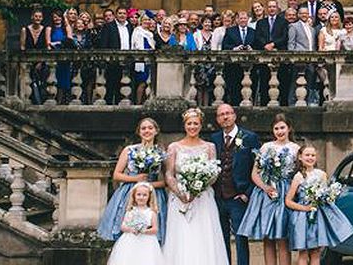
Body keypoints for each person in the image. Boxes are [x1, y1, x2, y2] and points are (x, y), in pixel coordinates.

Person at [163, 109, 227, 265]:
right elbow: (169, 174)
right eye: (189, 123)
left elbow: (213, 173)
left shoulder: (210, 147)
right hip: (179, 198)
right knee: (181, 235)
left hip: (202, 198)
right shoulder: (174, 147)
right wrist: (180, 193)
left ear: (201, 125)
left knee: (203, 234)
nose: (192, 127)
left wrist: (197, 188)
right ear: (184, 125)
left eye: (196, 123)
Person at [238, 115, 300, 265]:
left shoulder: (296, 148)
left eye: (282, 127)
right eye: (276, 128)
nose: (279, 131)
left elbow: (299, 173)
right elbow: (255, 173)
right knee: (268, 238)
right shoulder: (266, 147)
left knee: (283, 237)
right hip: (267, 194)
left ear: (289, 128)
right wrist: (265, 187)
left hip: (286, 192)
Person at [99, 118, 169, 244]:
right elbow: (116, 175)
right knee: (128, 229)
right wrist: (135, 179)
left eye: (150, 128)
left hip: (153, 194)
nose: (147, 131)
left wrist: (150, 185)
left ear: (156, 131)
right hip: (130, 191)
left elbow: (166, 181)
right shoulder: (129, 150)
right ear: (139, 132)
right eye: (143, 128)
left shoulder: (160, 153)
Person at [286, 145, 353, 265]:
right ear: (300, 157)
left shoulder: (321, 174)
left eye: (313, 155)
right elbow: (288, 201)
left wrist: (327, 197)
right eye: (307, 155)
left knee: (316, 251)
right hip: (303, 218)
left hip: (318, 216)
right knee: (303, 252)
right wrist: (305, 208)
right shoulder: (298, 177)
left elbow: (324, 194)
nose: (310, 158)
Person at [213, 104, 260, 265]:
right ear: (218, 119)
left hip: (239, 197)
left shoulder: (249, 137)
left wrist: (247, 193)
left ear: (234, 115)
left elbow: (258, 168)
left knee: (241, 238)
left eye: (228, 113)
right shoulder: (214, 139)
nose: (225, 117)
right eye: (221, 115)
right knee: (221, 237)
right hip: (218, 197)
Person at [107, 182, 166, 265]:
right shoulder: (130, 211)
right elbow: (123, 226)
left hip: (147, 241)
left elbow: (155, 229)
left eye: (144, 195)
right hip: (130, 239)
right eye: (138, 194)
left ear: (149, 197)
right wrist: (131, 229)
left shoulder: (152, 212)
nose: (141, 197)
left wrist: (144, 231)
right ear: (134, 196)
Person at [287, 7, 318, 105]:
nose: (304, 15)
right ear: (299, 15)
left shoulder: (312, 29)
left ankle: (307, 102)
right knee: (295, 83)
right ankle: (292, 103)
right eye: (302, 13)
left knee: (309, 83)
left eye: (306, 13)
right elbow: (291, 44)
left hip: (310, 60)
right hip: (299, 60)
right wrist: (293, 58)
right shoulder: (294, 26)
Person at [21, 9, 50, 104]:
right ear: (32, 17)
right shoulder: (25, 30)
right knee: (29, 81)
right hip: (28, 61)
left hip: (41, 61)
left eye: (40, 17)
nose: (38, 18)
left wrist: (41, 61)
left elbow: (47, 46)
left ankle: (41, 100)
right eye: (36, 16)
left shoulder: (45, 29)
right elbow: (22, 46)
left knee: (42, 81)